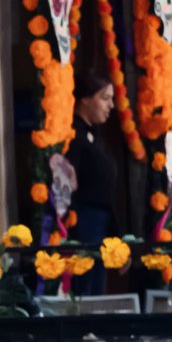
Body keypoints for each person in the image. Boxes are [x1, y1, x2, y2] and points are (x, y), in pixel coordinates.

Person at [65, 72, 126, 247]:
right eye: (105, 98)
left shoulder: (96, 134)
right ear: (85, 99)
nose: (111, 105)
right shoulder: (73, 136)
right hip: (83, 226)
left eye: (111, 99)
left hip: (102, 223)